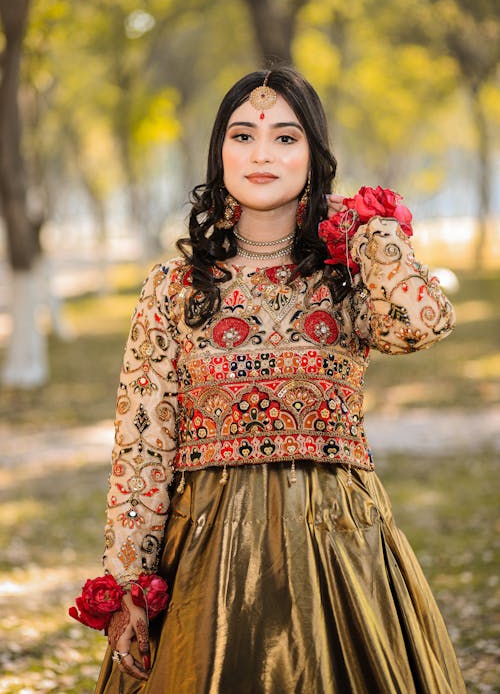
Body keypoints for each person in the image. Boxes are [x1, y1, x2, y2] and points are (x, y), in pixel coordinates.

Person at [74, 67, 466, 693]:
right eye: (242, 135)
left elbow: (423, 324)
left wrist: (375, 232)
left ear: (315, 156)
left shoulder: (345, 275)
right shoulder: (173, 288)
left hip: (339, 551)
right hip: (206, 559)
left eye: (286, 138)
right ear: (218, 152)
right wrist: (128, 584)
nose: (261, 154)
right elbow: (142, 446)